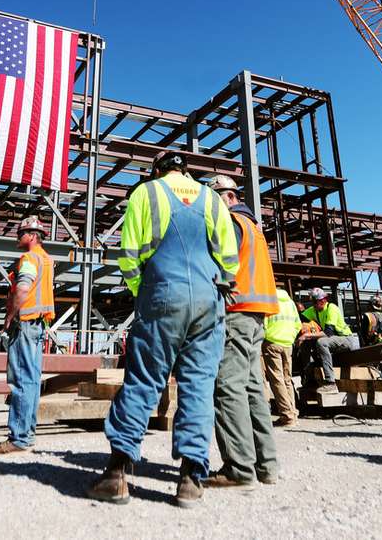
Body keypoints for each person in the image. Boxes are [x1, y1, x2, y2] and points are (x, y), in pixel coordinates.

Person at [87, 151, 238, 508]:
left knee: (144, 380)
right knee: (199, 385)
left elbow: (129, 252)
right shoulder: (212, 199)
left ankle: (116, 474)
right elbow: (229, 258)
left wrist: (144, 291)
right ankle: (190, 480)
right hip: (208, 299)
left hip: (162, 293)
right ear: (185, 172)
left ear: (158, 171)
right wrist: (218, 285)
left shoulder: (146, 192)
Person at [203, 174, 280, 490]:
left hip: (236, 313)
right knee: (251, 389)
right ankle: (266, 465)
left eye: (212, 200)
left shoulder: (231, 223)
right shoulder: (253, 227)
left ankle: (238, 468)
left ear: (226, 196)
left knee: (227, 387)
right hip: (255, 317)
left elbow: (222, 268)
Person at [0, 216, 55, 455]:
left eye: (22, 233)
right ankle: (27, 433)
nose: (18, 237)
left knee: (20, 380)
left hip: (25, 324)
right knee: (32, 379)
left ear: (33, 236)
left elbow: (24, 287)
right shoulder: (47, 259)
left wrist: (9, 317)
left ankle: (18, 437)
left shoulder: (29, 258)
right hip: (39, 325)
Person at [300, 287, 360, 394]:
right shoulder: (313, 310)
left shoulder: (332, 308)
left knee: (321, 342)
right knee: (306, 343)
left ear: (323, 300)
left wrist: (307, 335)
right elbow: (300, 318)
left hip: (346, 339)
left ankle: (331, 383)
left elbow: (328, 333)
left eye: (315, 301)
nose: (313, 304)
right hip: (333, 341)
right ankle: (310, 381)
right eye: (313, 301)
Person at [263, 286, 301, 427]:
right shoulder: (290, 303)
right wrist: (290, 337)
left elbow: (263, 324)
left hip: (272, 343)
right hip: (287, 344)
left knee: (277, 380)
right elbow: (298, 325)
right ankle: (293, 412)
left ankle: (287, 416)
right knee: (287, 379)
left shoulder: (269, 300)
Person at [360, 295, 382, 380]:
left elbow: (363, 333)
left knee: (369, 372)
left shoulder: (368, 316)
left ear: (371, 305)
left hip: (371, 348)